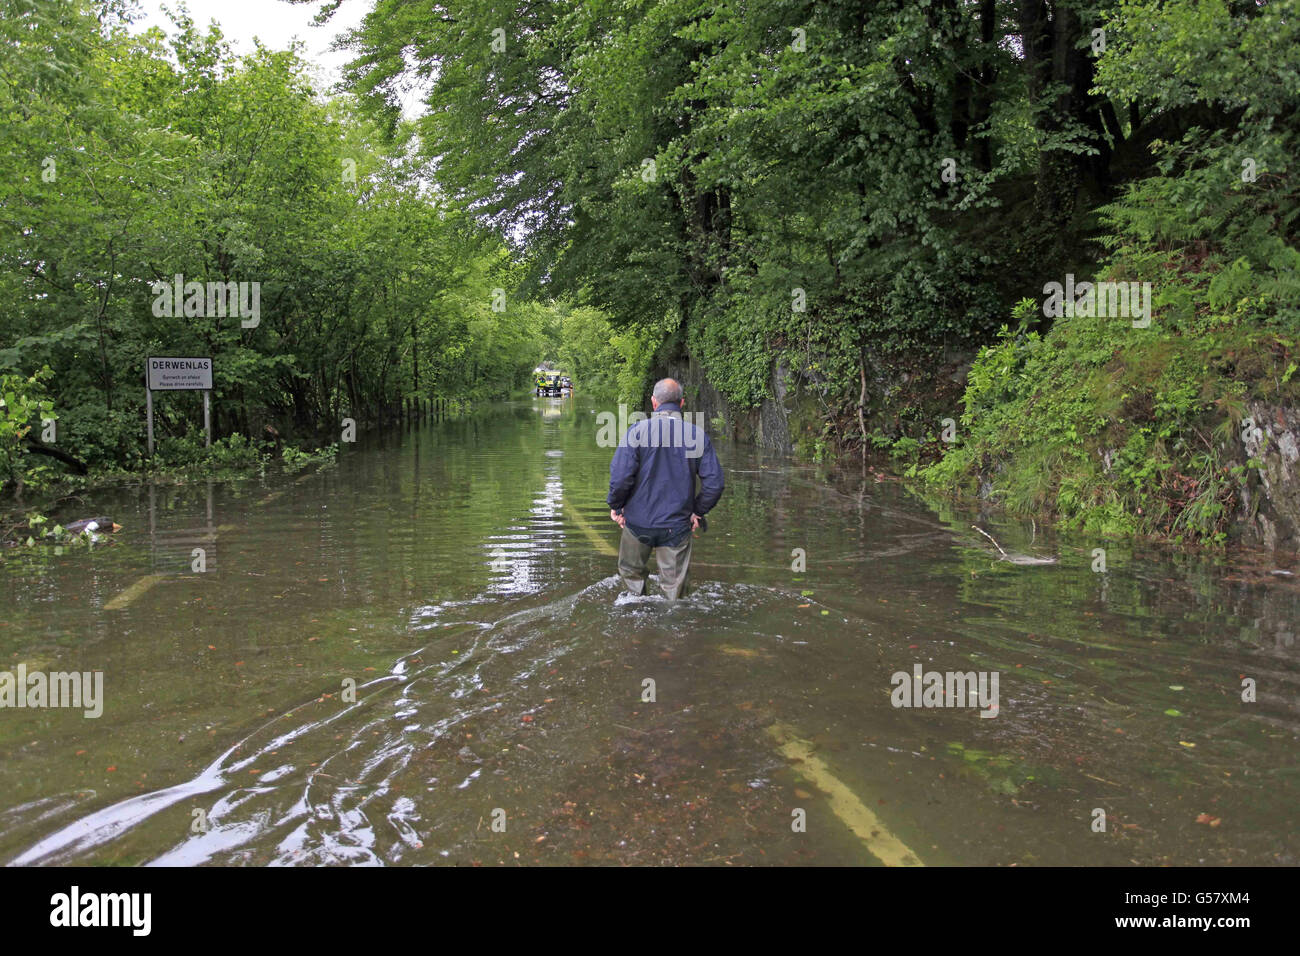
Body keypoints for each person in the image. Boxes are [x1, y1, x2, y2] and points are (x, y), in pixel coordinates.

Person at [607, 378, 724, 600]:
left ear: (653, 403)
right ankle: (672, 628)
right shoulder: (696, 435)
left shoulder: (636, 432)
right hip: (677, 526)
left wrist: (617, 507)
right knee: (675, 593)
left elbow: (621, 477)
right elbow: (715, 483)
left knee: (631, 582)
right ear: (681, 403)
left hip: (637, 523)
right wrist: (697, 511)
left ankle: (636, 627)